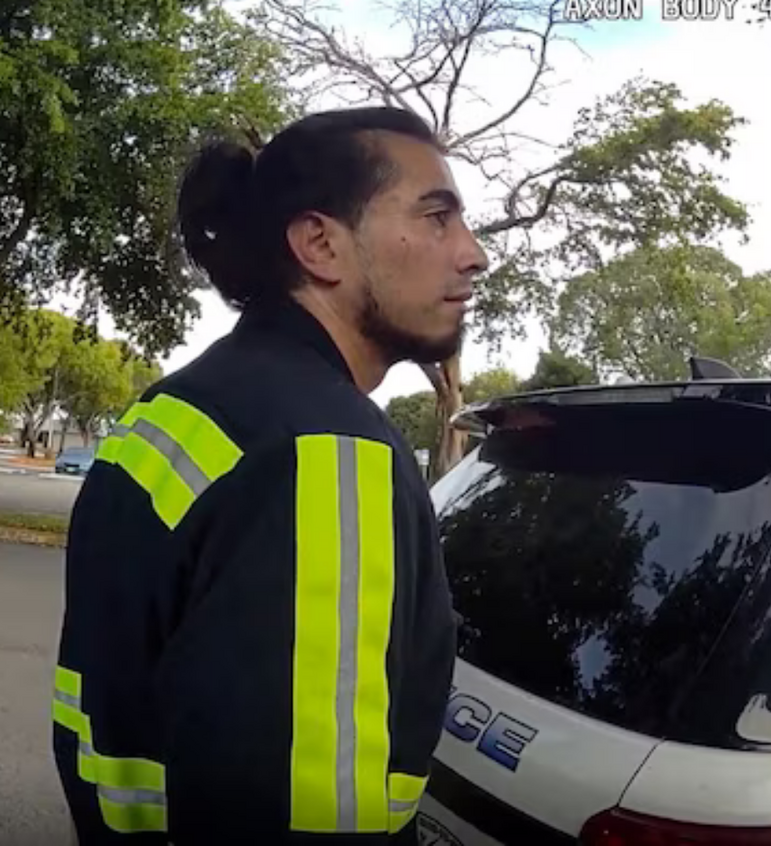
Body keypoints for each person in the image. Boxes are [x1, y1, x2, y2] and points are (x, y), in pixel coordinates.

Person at [51, 107, 489, 844]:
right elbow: (305, 815)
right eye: (437, 216)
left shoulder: (188, 401)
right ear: (320, 244)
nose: (473, 253)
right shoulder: (331, 450)